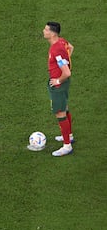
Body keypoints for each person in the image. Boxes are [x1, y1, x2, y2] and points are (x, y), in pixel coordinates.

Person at [43, 22, 74, 156]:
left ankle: (67, 145)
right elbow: (71, 47)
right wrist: (66, 60)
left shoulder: (56, 49)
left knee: (60, 112)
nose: (43, 31)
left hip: (59, 85)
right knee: (65, 108)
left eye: (46, 29)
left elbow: (66, 73)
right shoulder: (62, 42)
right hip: (63, 84)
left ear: (52, 33)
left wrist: (58, 80)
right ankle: (69, 135)